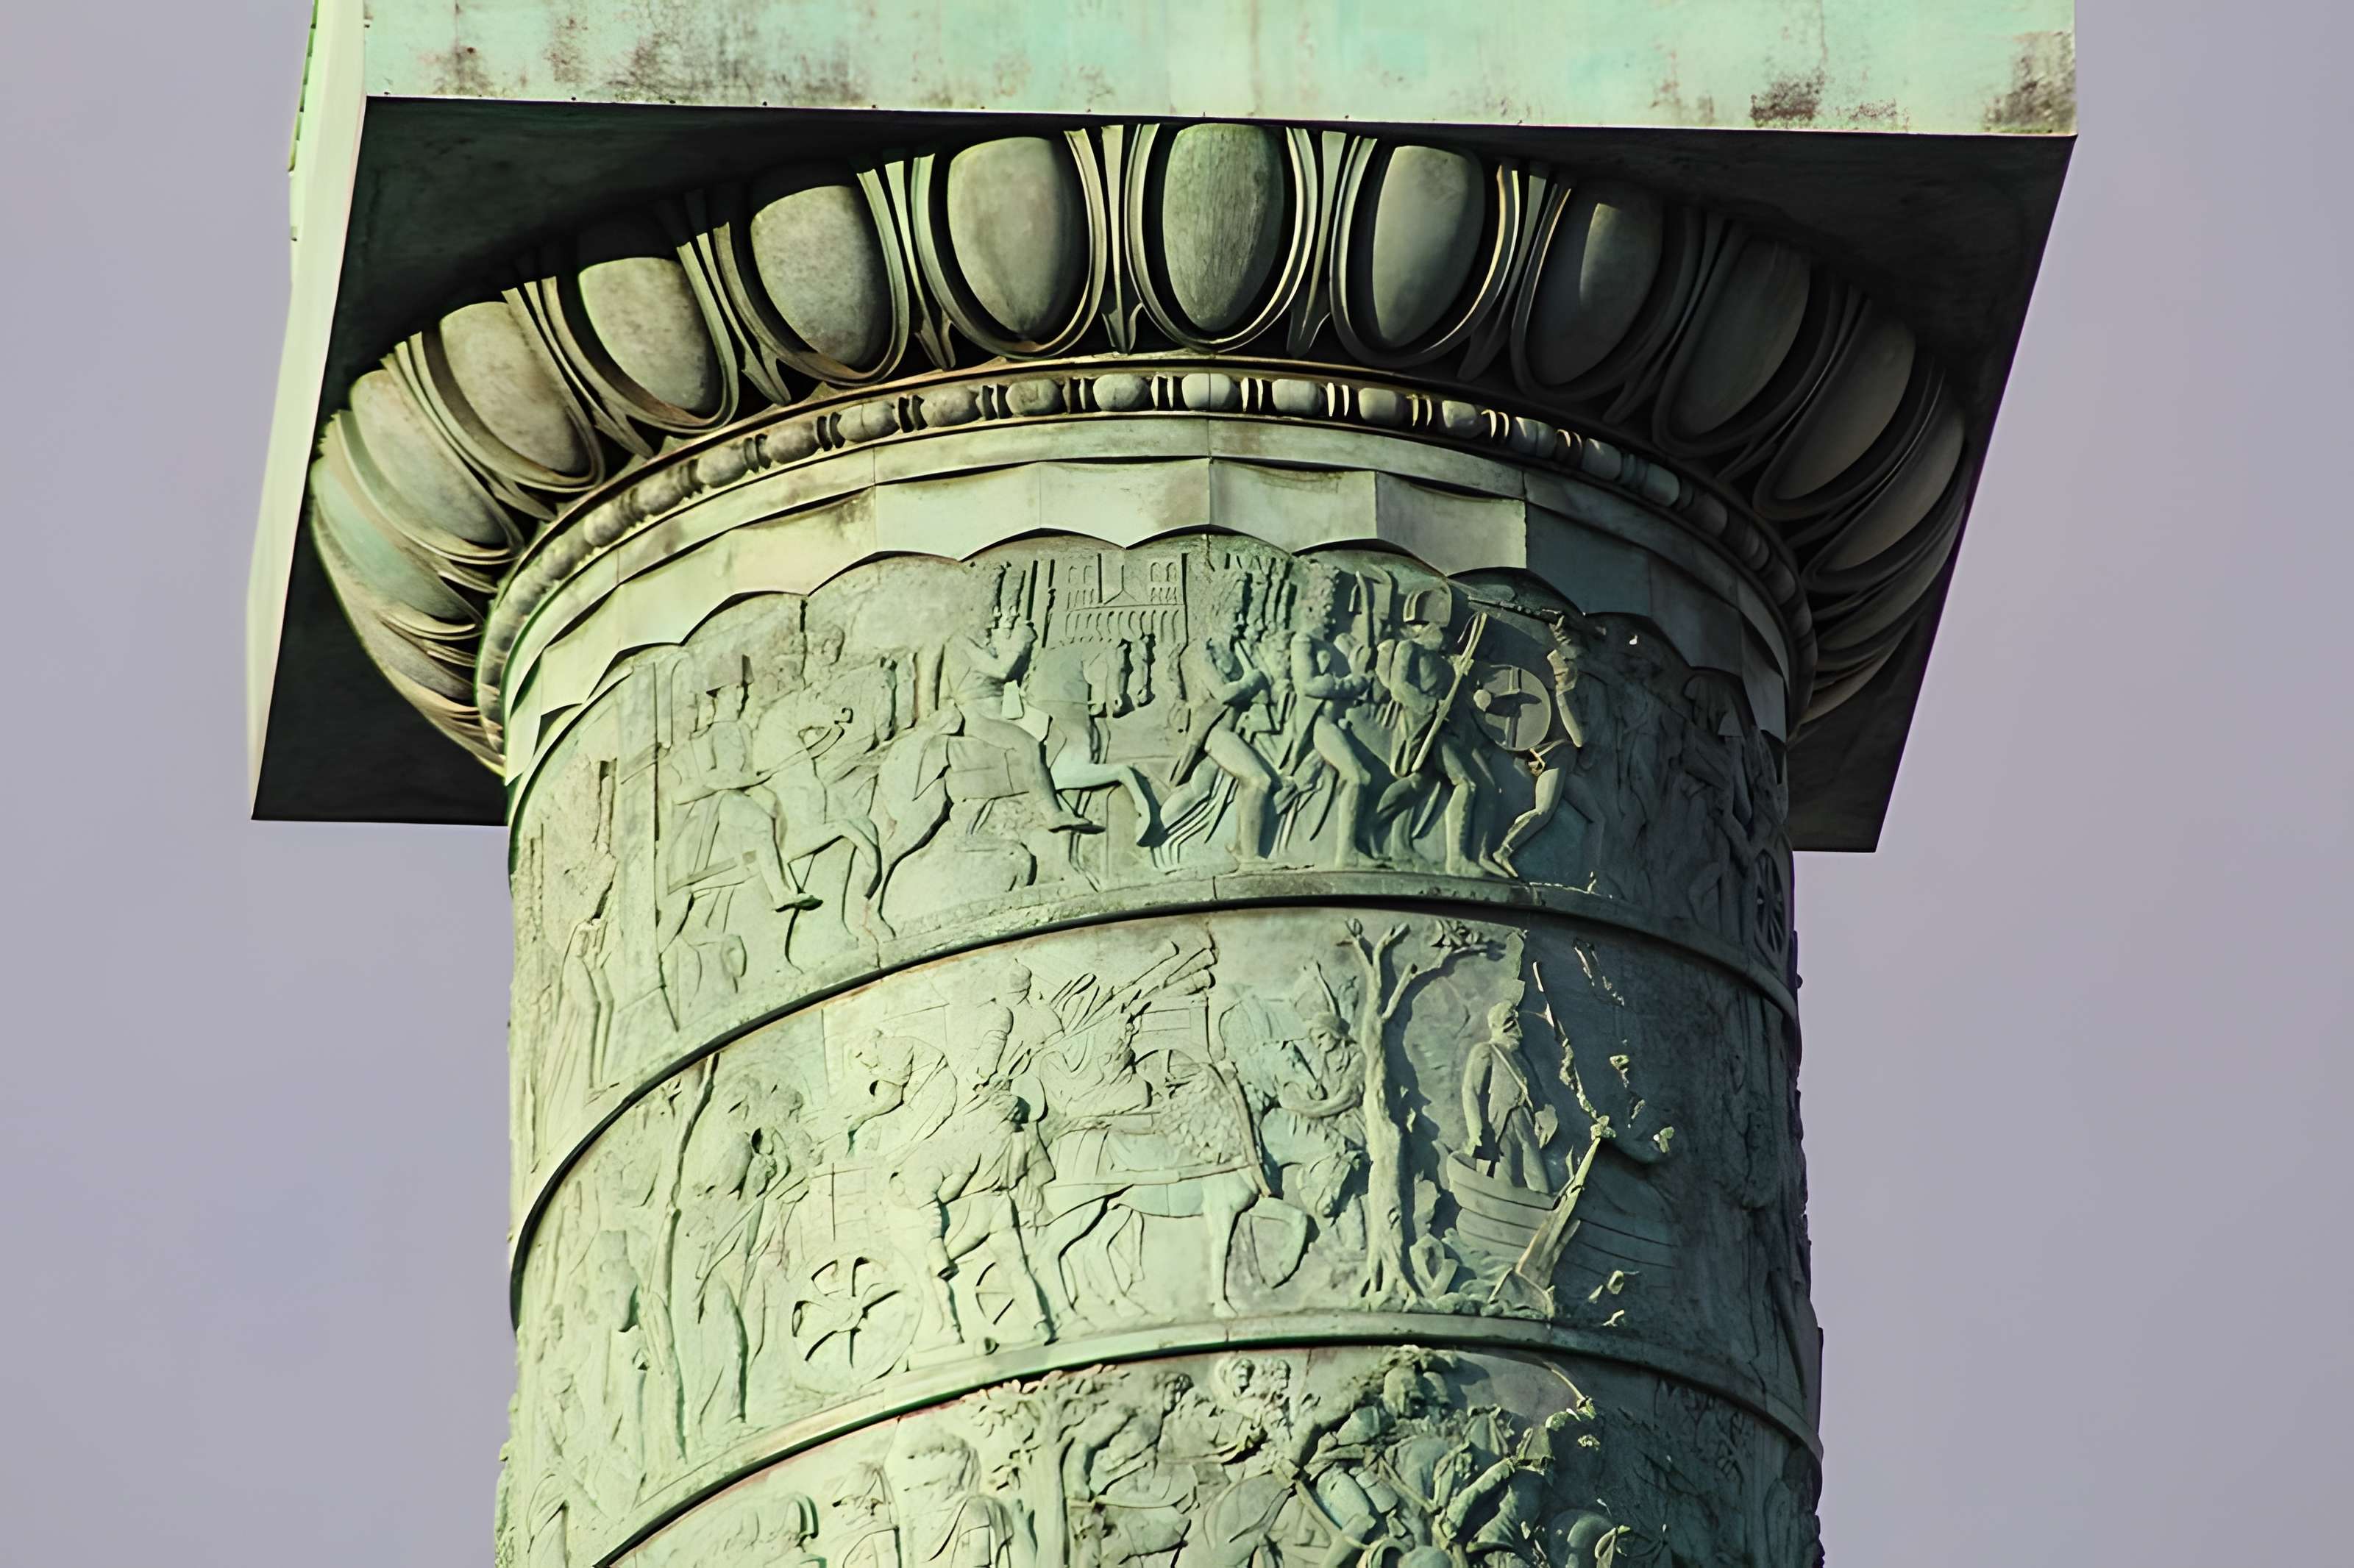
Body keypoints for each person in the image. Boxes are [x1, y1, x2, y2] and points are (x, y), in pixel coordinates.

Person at [943, 600, 1097, 834]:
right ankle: (1051, 814)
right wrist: (1020, 642)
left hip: (1005, 710)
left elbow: (1012, 674)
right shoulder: (961, 642)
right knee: (1028, 745)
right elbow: (1001, 671)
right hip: (981, 716)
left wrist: (1014, 641)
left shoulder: (986, 642)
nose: (995, 619)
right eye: (992, 614)